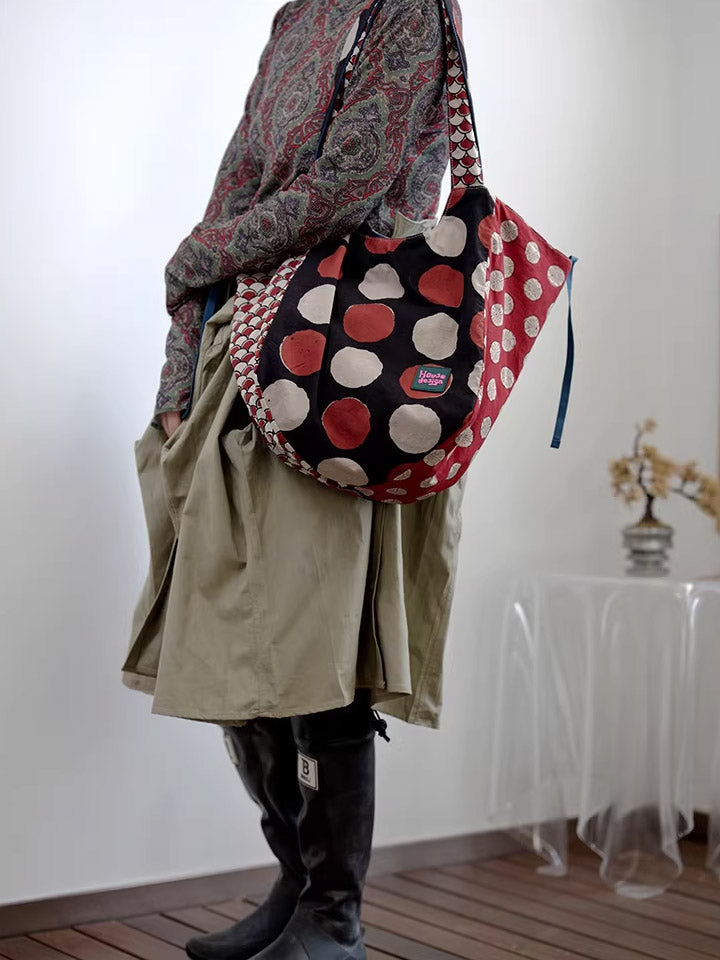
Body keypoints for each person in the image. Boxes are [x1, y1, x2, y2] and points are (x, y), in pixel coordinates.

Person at [123, 1, 466, 958]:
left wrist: (200, 256)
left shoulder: (406, 7)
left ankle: (332, 915)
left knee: (314, 645)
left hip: (337, 371)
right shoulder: (299, 14)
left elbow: (350, 186)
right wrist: (177, 379)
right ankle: (296, 882)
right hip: (239, 358)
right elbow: (231, 190)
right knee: (235, 642)